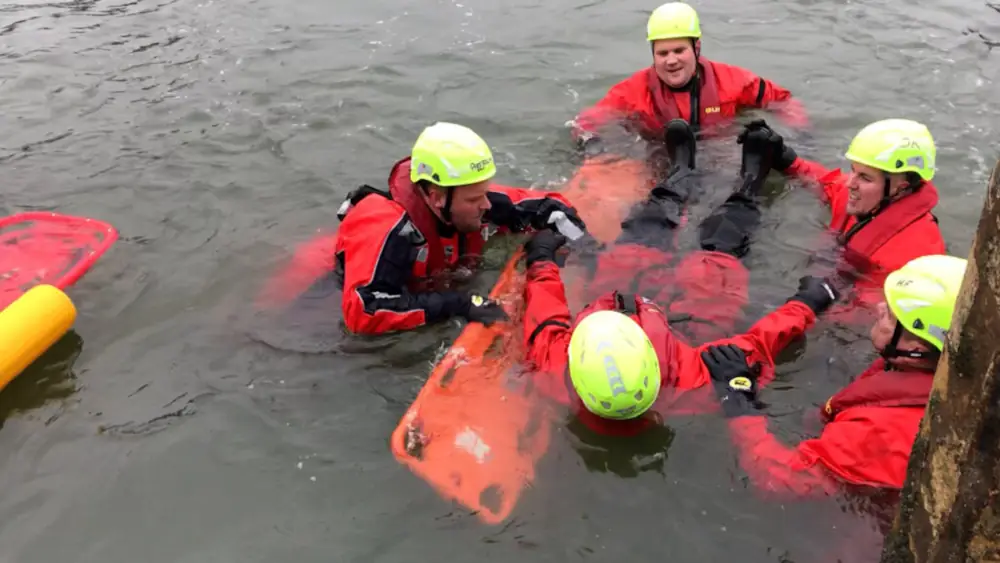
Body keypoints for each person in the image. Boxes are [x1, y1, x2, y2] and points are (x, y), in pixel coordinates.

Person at [520, 120, 840, 436]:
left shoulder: (556, 365)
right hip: (685, 331)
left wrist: (541, 261)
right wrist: (809, 303)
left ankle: (682, 172)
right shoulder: (688, 381)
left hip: (619, 293)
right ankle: (750, 183)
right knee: (722, 247)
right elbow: (762, 341)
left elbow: (544, 314)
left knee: (644, 232)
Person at [702, 253, 965, 497]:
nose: (878, 308)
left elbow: (778, 478)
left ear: (916, 348)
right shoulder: (939, 380)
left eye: (892, 317)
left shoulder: (878, 432)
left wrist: (737, 401)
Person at [334, 122, 586, 335]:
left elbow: (552, 208)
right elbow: (362, 312)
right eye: (474, 200)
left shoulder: (467, 196)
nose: (485, 205)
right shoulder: (386, 228)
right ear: (436, 197)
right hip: (339, 289)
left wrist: (585, 249)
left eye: (484, 193)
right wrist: (458, 304)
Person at [747, 118, 946, 319]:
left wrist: (813, 303)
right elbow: (826, 182)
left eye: (865, 178)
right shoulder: (866, 196)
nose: (850, 183)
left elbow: (872, 318)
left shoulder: (915, 257)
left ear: (899, 188)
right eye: (853, 170)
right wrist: (786, 159)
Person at [572, 1, 807, 148]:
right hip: (660, 160)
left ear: (696, 48)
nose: (671, 60)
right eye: (662, 53)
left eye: (679, 50)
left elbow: (784, 101)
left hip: (718, 157)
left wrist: (800, 137)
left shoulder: (734, 81)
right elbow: (587, 123)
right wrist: (592, 145)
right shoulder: (631, 92)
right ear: (653, 54)